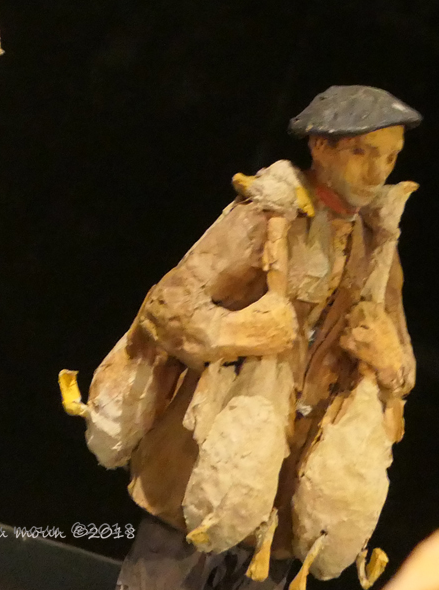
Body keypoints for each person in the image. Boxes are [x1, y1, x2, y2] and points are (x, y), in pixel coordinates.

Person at [71, 86, 421, 590]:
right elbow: (168, 307)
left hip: (286, 497)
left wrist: (390, 362)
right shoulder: (266, 215)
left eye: (389, 157)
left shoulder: (379, 243)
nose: (377, 172)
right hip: (203, 469)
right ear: (320, 147)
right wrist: (238, 330)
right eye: (361, 152)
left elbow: (400, 361)